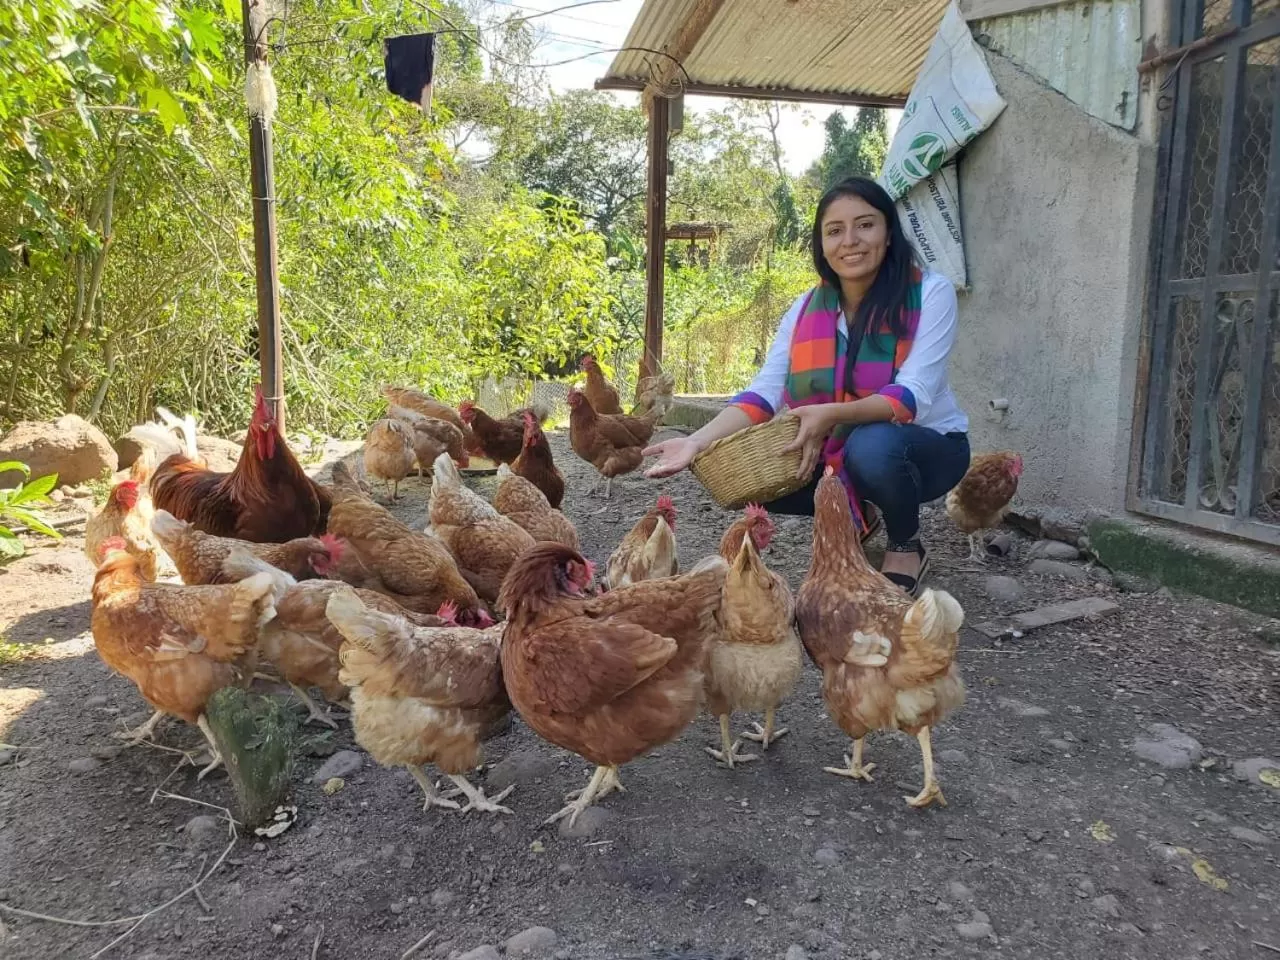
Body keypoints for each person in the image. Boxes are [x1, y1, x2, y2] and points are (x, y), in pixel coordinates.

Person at [644, 176, 970, 597]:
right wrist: (697, 441)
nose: (850, 241)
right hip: (840, 446)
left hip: (928, 450)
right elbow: (764, 393)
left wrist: (829, 416)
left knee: (871, 447)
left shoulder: (930, 292)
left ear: (888, 233)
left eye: (865, 225)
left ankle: (906, 544)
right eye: (835, 230)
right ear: (821, 243)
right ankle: (859, 509)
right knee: (752, 475)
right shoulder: (803, 311)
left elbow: (912, 396)